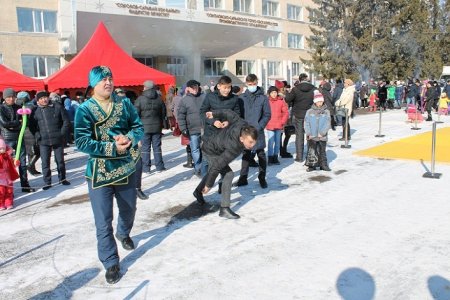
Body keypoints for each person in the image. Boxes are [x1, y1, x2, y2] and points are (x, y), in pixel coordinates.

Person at [74, 66, 144, 284]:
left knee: (129, 208)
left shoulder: (124, 104)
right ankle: (110, 261)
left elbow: (138, 126)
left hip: (125, 167)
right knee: (103, 221)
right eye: (103, 79)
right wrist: (113, 148)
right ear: (93, 84)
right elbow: (82, 142)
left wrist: (130, 138)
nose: (108, 82)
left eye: (110, 78)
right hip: (98, 172)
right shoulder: (84, 109)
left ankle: (123, 233)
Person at [193, 109, 258, 219]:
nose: (252, 145)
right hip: (210, 150)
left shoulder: (242, 124)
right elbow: (217, 165)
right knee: (228, 174)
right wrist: (209, 185)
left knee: (214, 170)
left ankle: (197, 192)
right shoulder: (234, 147)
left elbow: (229, 113)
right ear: (242, 139)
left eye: (254, 142)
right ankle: (224, 209)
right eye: (250, 142)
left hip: (215, 143)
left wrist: (214, 113)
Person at [200, 75, 241, 176]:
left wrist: (228, 122)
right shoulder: (210, 97)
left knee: (223, 161)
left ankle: (222, 184)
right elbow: (202, 112)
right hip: (210, 134)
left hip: (225, 135)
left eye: (229, 87)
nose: (227, 90)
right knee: (207, 160)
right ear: (219, 86)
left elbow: (237, 115)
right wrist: (213, 121)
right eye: (225, 87)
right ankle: (205, 181)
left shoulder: (234, 99)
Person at [235, 74, 271, 188]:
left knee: (261, 154)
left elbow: (267, 114)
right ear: (246, 84)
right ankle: (243, 177)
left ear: (257, 83)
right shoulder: (241, 98)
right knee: (245, 155)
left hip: (257, 130)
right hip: (245, 131)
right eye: (250, 84)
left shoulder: (263, 98)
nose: (252, 86)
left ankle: (262, 177)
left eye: (254, 84)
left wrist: (259, 126)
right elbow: (238, 115)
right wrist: (242, 128)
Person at [29, 91, 70, 190]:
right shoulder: (35, 111)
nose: (44, 100)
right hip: (43, 141)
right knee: (45, 162)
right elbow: (32, 126)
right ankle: (47, 182)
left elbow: (66, 121)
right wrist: (37, 135)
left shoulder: (57, 106)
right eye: (41, 98)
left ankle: (62, 178)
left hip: (57, 138)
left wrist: (62, 133)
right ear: (38, 100)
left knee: (60, 160)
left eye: (45, 97)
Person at [0, 88, 35, 192]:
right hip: (7, 139)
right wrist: (18, 123)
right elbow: (5, 124)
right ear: (4, 98)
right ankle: (9, 189)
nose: (11, 99)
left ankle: (25, 185)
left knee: (22, 163)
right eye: (8, 97)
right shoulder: (1, 108)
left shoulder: (19, 107)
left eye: (13, 97)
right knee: (7, 165)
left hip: (20, 138)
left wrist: (16, 125)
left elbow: (25, 122)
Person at [134, 80, 166, 173]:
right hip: (157, 126)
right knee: (157, 146)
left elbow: (136, 114)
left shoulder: (140, 99)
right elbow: (163, 113)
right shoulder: (159, 98)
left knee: (145, 147)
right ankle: (159, 166)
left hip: (144, 127)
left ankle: (146, 168)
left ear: (145, 88)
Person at [177, 79, 205, 177]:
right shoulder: (184, 100)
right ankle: (198, 168)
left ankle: (205, 167)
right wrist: (183, 128)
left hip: (204, 128)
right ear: (188, 88)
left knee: (205, 149)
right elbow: (180, 115)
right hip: (192, 129)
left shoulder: (204, 97)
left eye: (196, 87)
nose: (195, 89)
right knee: (195, 149)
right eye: (193, 88)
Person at [285, 73, 315, 162]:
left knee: (299, 135)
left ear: (300, 79)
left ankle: (299, 156)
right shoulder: (314, 88)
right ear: (307, 79)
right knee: (310, 135)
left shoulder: (295, 89)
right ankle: (310, 155)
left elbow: (287, 99)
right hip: (311, 114)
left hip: (298, 115)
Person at [304, 91, 331, 172]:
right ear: (315, 102)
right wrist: (308, 133)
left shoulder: (326, 111)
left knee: (322, 151)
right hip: (312, 135)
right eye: (318, 101)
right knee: (312, 151)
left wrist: (322, 133)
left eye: (321, 101)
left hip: (322, 136)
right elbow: (306, 123)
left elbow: (328, 123)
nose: (320, 103)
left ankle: (323, 165)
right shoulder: (309, 111)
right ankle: (312, 165)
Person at [16, 91, 41, 176]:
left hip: (24, 131)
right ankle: (30, 166)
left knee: (31, 151)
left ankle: (32, 168)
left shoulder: (18, 107)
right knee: (36, 151)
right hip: (31, 131)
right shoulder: (32, 106)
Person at [265, 86, 289, 165]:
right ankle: (270, 158)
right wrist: (265, 122)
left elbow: (286, 113)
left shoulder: (281, 101)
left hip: (279, 125)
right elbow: (263, 112)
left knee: (278, 142)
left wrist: (282, 122)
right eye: (272, 93)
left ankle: (275, 157)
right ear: (269, 93)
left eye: (275, 92)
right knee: (271, 142)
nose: (274, 94)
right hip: (270, 125)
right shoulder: (266, 101)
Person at [0, 136, 19, 210]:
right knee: (1, 192)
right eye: (0, 149)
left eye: (3, 148)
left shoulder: (7, 156)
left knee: (9, 191)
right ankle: (1, 204)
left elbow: (12, 164)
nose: (2, 150)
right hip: (0, 179)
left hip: (8, 177)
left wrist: (16, 163)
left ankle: (8, 203)